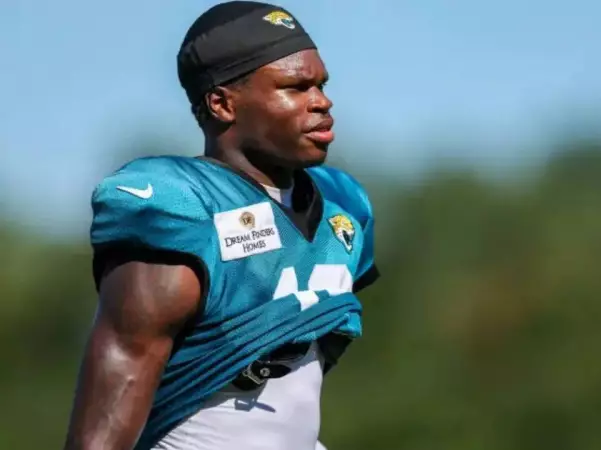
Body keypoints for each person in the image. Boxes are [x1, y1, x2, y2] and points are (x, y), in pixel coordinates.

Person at [62, 2, 379, 449]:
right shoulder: (185, 210)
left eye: (321, 85)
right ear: (222, 103)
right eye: (295, 87)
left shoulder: (342, 206)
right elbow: (121, 375)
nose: (321, 102)